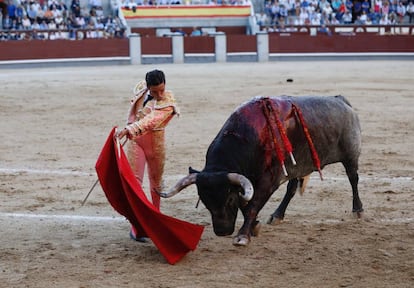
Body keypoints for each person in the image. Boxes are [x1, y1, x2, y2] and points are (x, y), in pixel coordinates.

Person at [115, 69, 179, 242]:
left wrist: (130, 129)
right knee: (135, 182)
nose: (159, 94)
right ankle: (136, 225)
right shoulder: (140, 88)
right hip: (136, 141)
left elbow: (150, 121)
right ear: (148, 87)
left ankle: (156, 219)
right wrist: (129, 127)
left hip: (155, 144)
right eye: (155, 91)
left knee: (156, 183)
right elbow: (134, 112)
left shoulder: (168, 101)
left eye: (162, 90)